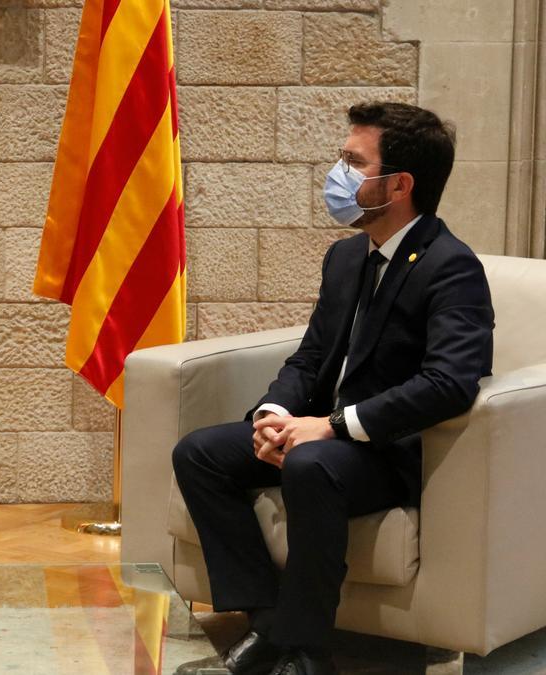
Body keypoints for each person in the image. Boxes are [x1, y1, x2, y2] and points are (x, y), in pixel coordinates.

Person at [172, 102, 494, 675]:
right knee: (200, 453)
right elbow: (314, 355)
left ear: (399, 184)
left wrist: (331, 426)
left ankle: (307, 652)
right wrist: (273, 414)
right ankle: (269, 623)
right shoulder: (347, 256)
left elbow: (449, 383)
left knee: (310, 464)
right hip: (323, 436)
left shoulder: (451, 267)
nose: (338, 173)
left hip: (390, 451)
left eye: (352, 161)